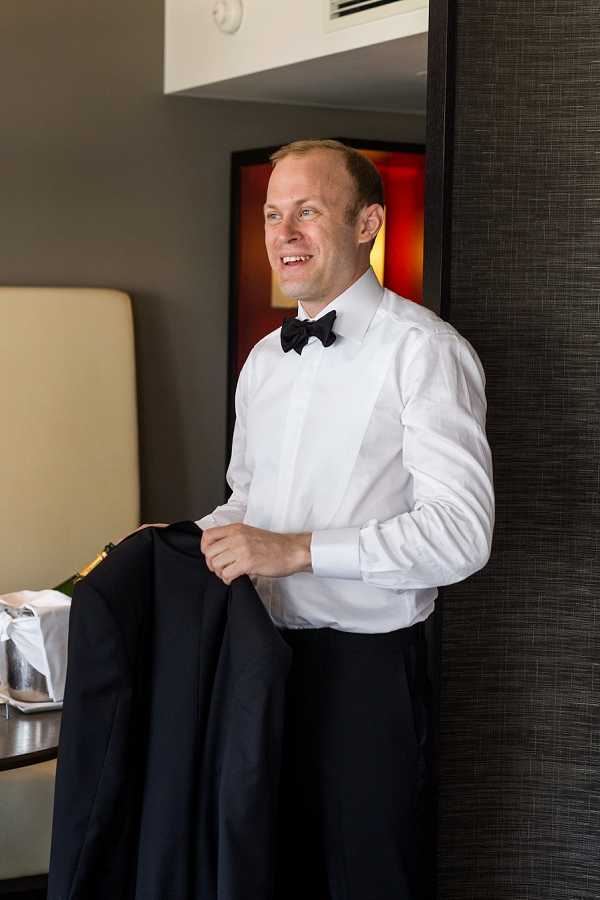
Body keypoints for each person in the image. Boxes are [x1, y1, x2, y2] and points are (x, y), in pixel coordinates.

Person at [138, 139, 494, 899]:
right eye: (273, 214)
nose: (284, 233)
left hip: (366, 679)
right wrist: (176, 541)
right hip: (258, 665)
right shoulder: (265, 359)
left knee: (368, 879)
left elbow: (463, 534)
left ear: (367, 223)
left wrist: (298, 551)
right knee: (269, 870)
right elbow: (247, 502)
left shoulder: (424, 352)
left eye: (307, 211)